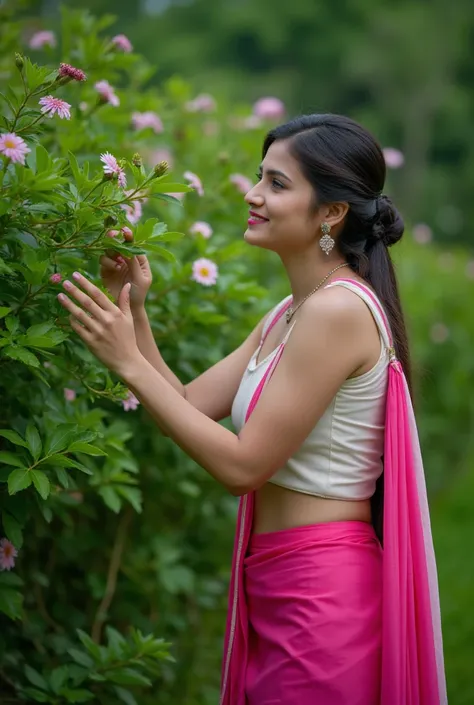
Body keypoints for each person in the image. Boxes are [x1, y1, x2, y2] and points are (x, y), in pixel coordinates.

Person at [57, 113, 447, 705]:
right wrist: (136, 312)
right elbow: (184, 407)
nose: (253, 194)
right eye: (258, 176)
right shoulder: (289, 314)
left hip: (321, 592)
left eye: (277, 183)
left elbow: (243, 467)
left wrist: (128, 363)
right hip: (275, 580)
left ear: (331, 212)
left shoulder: (336, 312)